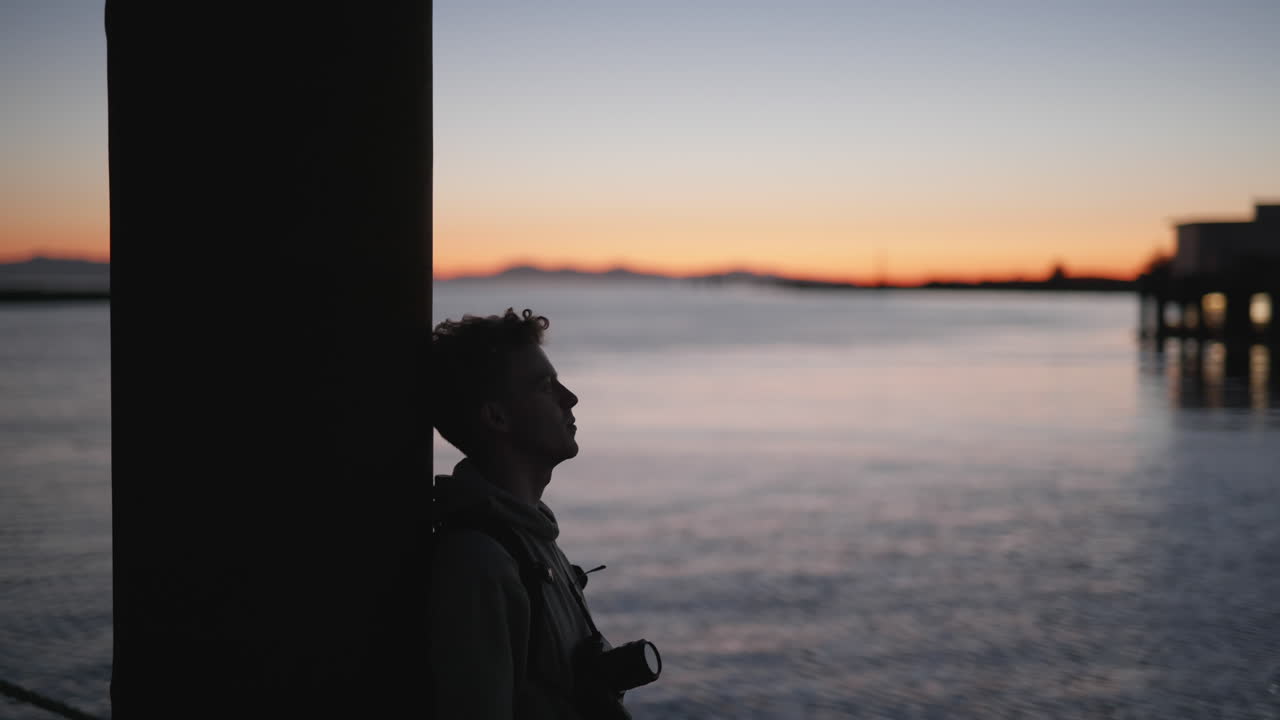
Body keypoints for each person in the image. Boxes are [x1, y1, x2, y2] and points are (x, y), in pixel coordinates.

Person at [428, 308, 656, 719]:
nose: (570, 398)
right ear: (496, 416)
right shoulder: (478, 564)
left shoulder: (528, 536)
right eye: (544, 386)